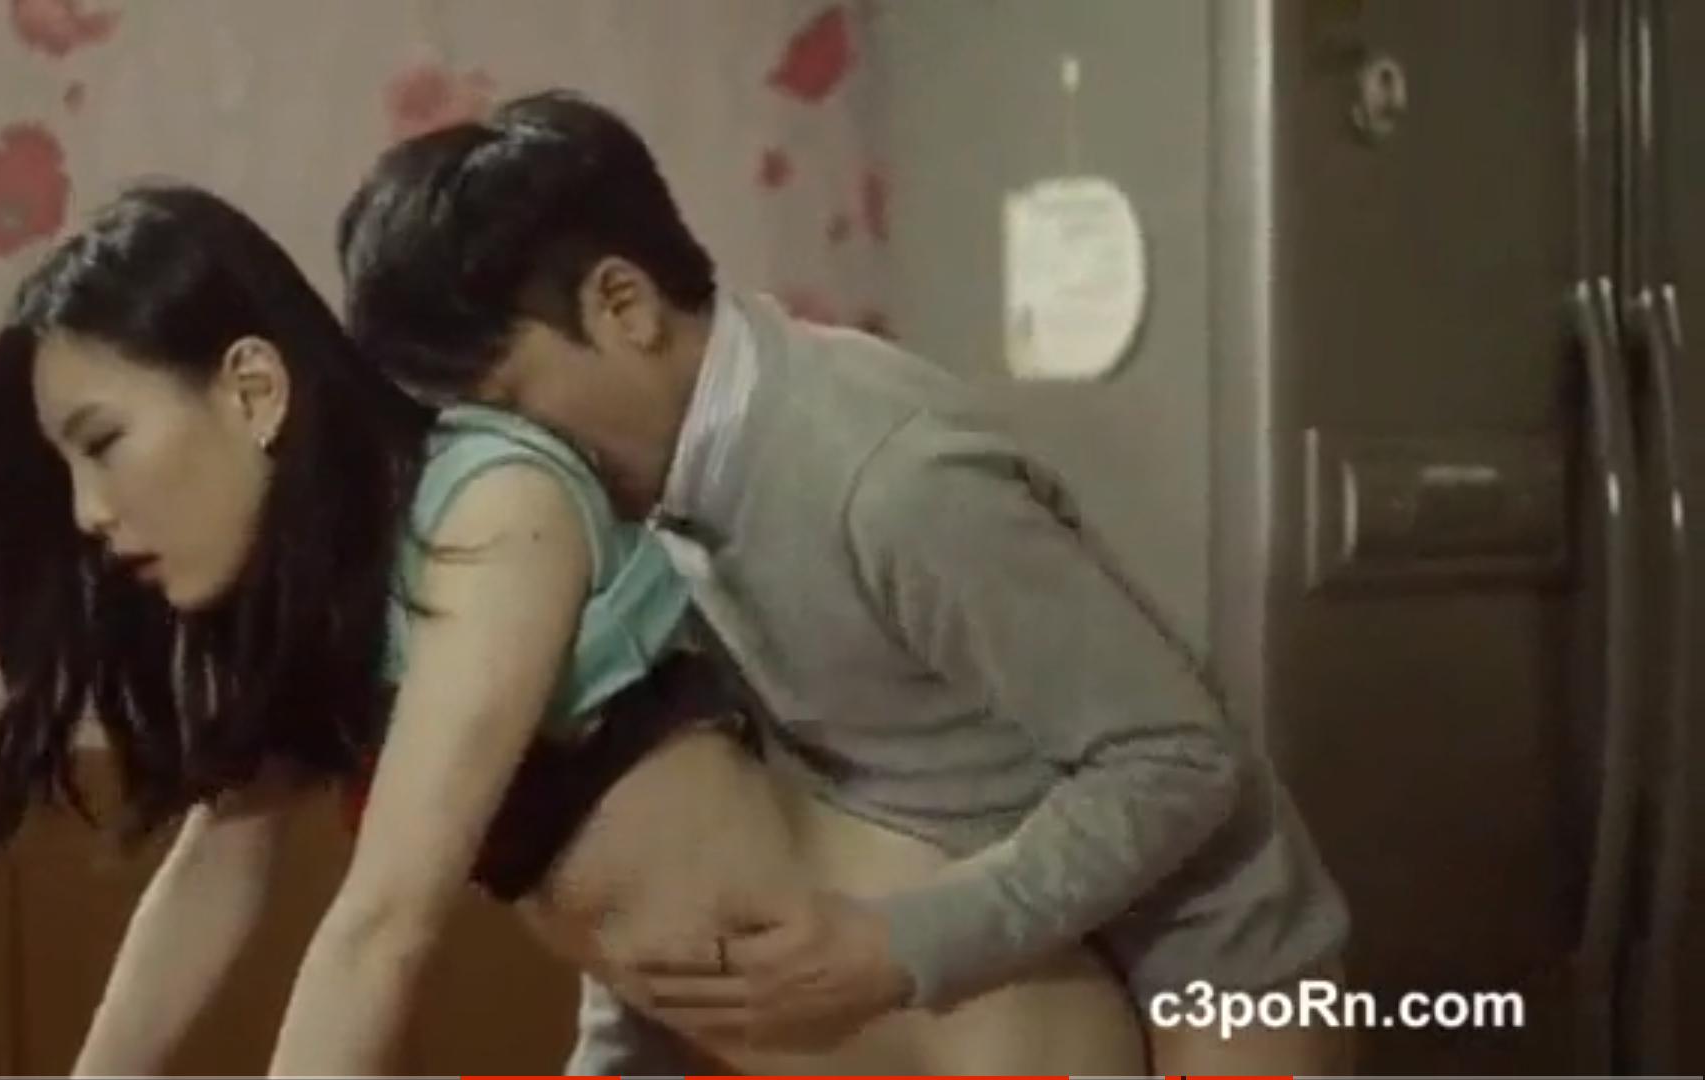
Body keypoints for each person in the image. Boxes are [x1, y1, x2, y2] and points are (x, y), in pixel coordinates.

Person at [0, 182, 1146, 1076]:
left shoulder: (490, 503)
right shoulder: (326, 603)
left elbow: (387, 922)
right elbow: (214, 868)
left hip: (993, 1040)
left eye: (103, 444)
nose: (88, 513)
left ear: (253, 389)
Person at [335, 89, 1358, 1076]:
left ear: (623, 305)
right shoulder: (641, 493)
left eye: (511, 405)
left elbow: (1177, 759)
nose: (508, 469)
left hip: (1208, 953)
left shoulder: (889, 478)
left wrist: (899, 945)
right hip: (1000, 947)